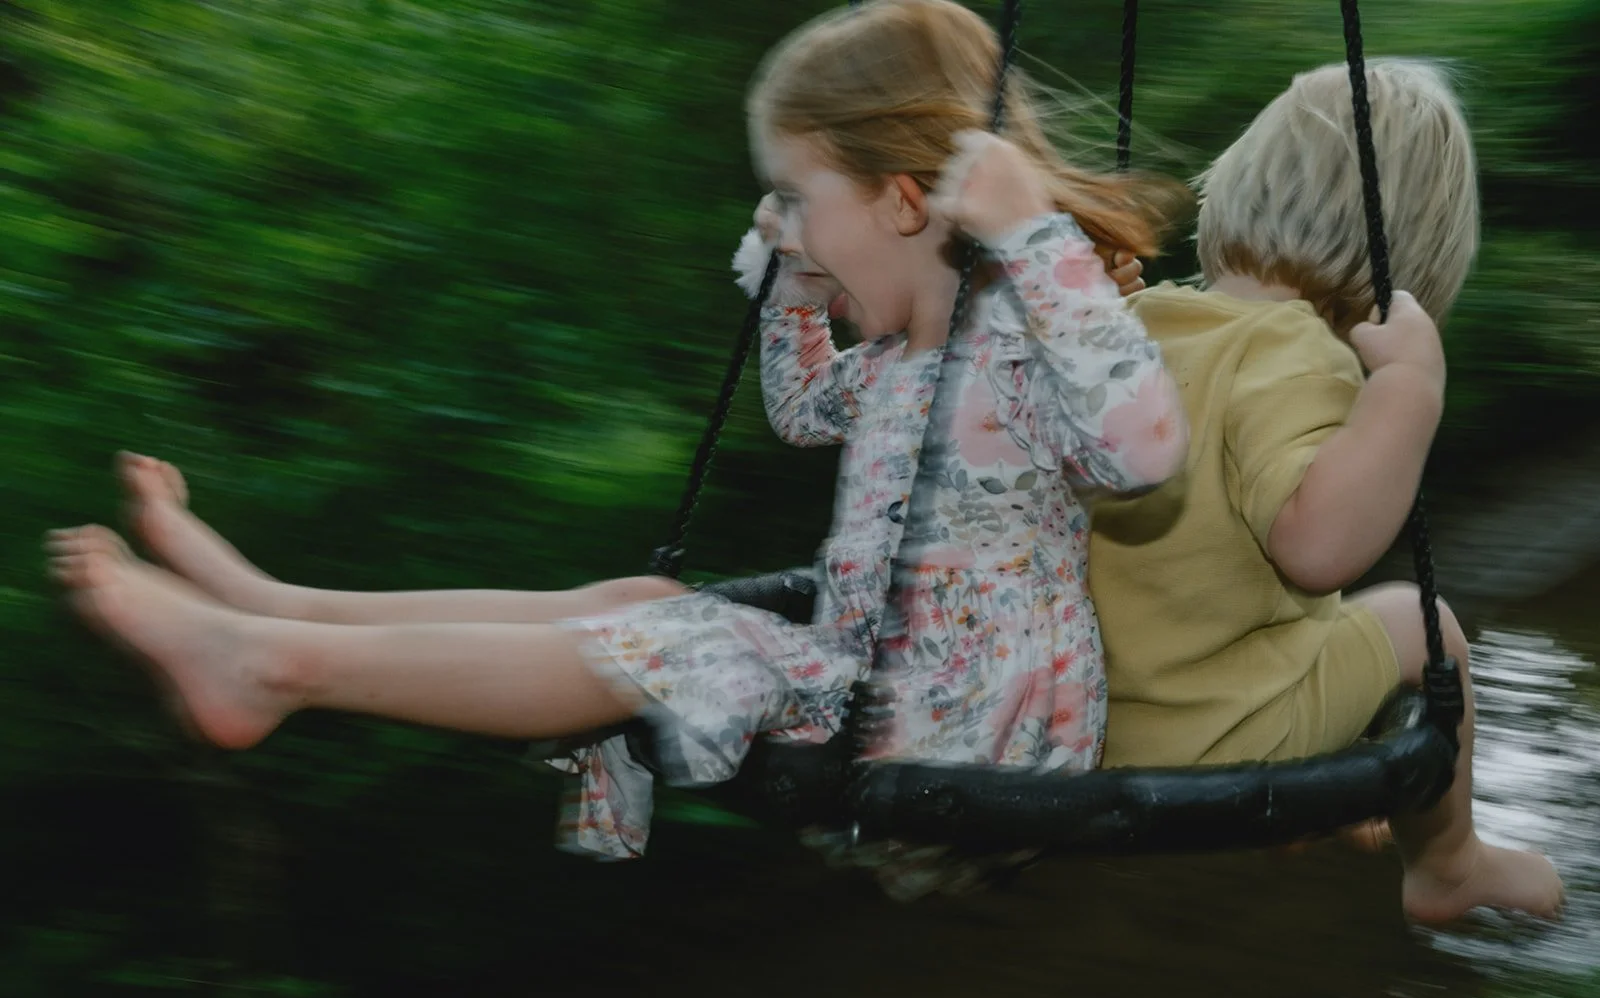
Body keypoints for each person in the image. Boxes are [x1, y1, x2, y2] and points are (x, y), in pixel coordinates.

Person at [46, 0, 1186, 876]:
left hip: (975, 724)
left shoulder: (1022, 342)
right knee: (645, 596)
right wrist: (791, 290)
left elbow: (1141, 452)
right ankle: (281, 606)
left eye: (793, 196)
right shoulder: (899, 360)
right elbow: (800, 413)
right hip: (883, 684)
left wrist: (1036, 234)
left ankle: (271, 665)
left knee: (699, 643)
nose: (778, 223)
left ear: (901, 200)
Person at [1087, 58, 1565, 923]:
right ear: (1411, 257)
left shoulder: (1136, 323)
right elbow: (1314, 551)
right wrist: (1412, 388)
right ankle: (1449, 863)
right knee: (1429, 629)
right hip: (1211, 737)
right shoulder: (1295, 352)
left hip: (1075, 717)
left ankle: (1330, 777)